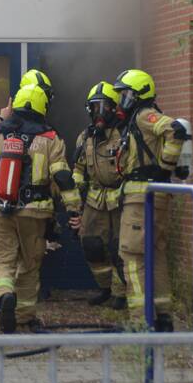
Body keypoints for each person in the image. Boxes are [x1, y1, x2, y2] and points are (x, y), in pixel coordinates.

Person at [0, 83, 80, 332]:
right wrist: (75, 210)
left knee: (1, 260)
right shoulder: (51, 140)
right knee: (30, 265)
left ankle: (3, 298)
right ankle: (23, 316)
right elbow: (62, 177)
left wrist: (0, 117)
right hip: (36, 211)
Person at [112, 68, 190, 332]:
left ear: (138, 94)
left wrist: (164, 167)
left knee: (132, 256)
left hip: (142, 197)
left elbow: (175, 130)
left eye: (125, 94)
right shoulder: (136, 118)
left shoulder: (145, 115)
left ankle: (139, 322)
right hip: (151, 196)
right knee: (154, 255)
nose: (122, 100)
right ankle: (162, 315)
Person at [70, 81, 127, 309]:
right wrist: (76, 205)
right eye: (94, 108)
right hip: (94, 201)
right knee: (92, 245)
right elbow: (78, 171)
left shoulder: (124, 135)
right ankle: (105, 287)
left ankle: (121, 293)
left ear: (114, 108)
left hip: (120, 200)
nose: (99, 113)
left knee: (119, 248)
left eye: (103, 107)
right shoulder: (85, 138)